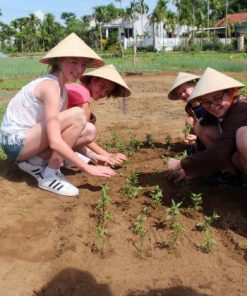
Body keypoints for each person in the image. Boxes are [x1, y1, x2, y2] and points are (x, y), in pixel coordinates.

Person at [0, 33, 116, 197]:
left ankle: (35, 162)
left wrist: (94, 156)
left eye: (83, 64)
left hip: (30, 139)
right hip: (15, 141)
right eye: (73, 62)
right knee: (77, 115)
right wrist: (88, 168)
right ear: (59, 60)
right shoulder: (50, 86)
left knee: (89, 130)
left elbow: (66, 135)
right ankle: (49, 175)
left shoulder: (63, 90)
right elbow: (55, 140)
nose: (79, 70)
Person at [168, 67, 247, 185]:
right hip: (234, 155)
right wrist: (190, 171)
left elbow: (220, 153)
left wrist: (181, 164)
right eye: (206, 101)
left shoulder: (240, 110)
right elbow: (209, 145)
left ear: (232, 91)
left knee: (243, 137)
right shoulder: (210, 112)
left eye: (217, 98)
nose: (213, 105)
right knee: (201, 127)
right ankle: (233, 174)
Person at [65, 64, 131, 166]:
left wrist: (94, 155)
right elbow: (82, 134)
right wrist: (107, 155)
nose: (103, 93)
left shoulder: (78, 90)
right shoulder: (83, 96)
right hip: (45, 137)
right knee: (89, 130)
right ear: (94, 80)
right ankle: (50, 161)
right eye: (102, 87)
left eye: (107, 91)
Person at [168, 72, 219, 151]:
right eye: (180, 94)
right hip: (202, 130)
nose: (183, 95)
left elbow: (215, 123)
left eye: (184, 90)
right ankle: (196, 142)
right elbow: (192, 121)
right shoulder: (189, 107)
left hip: (215, 130)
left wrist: (198, 137)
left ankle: (209, 148)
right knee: (189, 120)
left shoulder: (206, 102)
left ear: (196, 86)